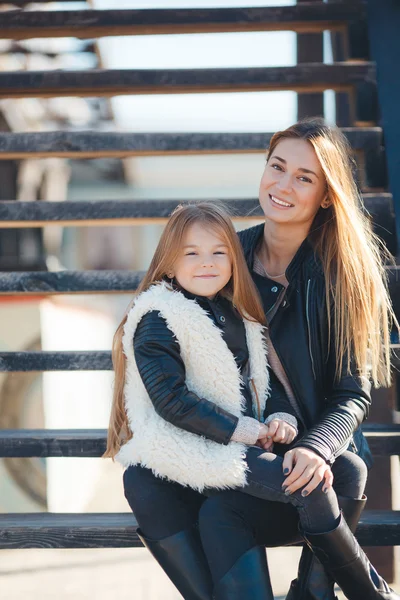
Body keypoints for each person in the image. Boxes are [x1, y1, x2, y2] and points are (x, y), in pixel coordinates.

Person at [197, 118, 399, 600]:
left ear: (327, 195)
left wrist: (316, 445)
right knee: (207, 507)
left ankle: (313, 590)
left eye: (304, 177)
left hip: (323, 456)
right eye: (277, 167)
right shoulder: (223, 257)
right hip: (246, 448)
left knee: (345, 466)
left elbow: (353, 393)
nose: (282, 185)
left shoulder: (344, 271)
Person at [104, 201, 302, 599]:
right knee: (141, 481)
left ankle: (316, 587)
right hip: (195, 447)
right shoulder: (159, 315)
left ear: (234, 259)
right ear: (169, 263)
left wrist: (281, 416)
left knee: (340, 472)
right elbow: (170, 399)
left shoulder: (239, 315)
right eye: (191, 253)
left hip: (229, 455)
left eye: (219, 252)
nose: (207, 263)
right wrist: (243, 430)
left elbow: (263, 381)